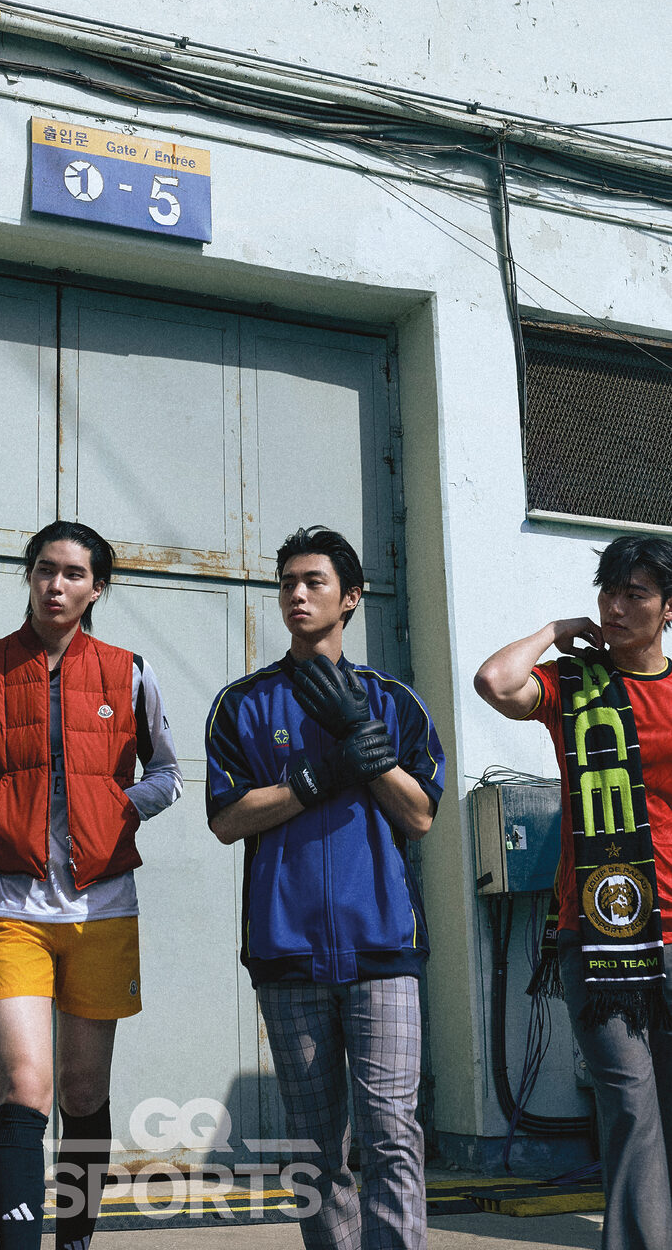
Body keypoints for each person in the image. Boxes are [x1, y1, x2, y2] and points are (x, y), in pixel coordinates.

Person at [0, 520, 182, 1250]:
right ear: (29, 575)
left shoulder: (129, 672)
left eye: (74, 573)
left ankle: (74, 1239)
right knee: (25, 1087)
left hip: (103, 907)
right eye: (45, 569)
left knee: (83, 1090)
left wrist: (119, 809)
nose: (56, 585)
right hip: (9, 908)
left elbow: (168, 773)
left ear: (97, 588)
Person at [205, 525, 444, 1250]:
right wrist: (315, 779)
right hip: (287, 950)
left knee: (392, 1133)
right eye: (288, 583)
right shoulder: (243, 703)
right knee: (315, 1149)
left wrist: (363, 744)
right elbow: (226, 820)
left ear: (351, 598)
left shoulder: (392, 701)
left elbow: (420, 816)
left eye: (314, 582)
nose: (297, 595)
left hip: (383, 946)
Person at [475, 534, 672, 1250]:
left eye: (635, 595)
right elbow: (496, 681)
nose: (615, 608)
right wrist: (557, 630)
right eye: (607, 593)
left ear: (669, 609)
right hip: (598, 931)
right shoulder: (576, 684)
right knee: (630, 1104)